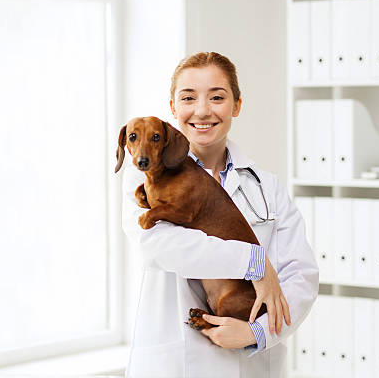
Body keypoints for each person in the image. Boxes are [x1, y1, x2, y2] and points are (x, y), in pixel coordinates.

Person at [121, 52, 318, 377]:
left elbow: (302, 276)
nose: (202, 110)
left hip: (250, 363)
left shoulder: (267, 187)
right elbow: (162, 246)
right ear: (173, 108)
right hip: (175, 363)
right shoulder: (143, 176)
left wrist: (257, 332)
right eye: (188, 98)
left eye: (217, 97)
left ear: (236, 106)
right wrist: (255, 262)